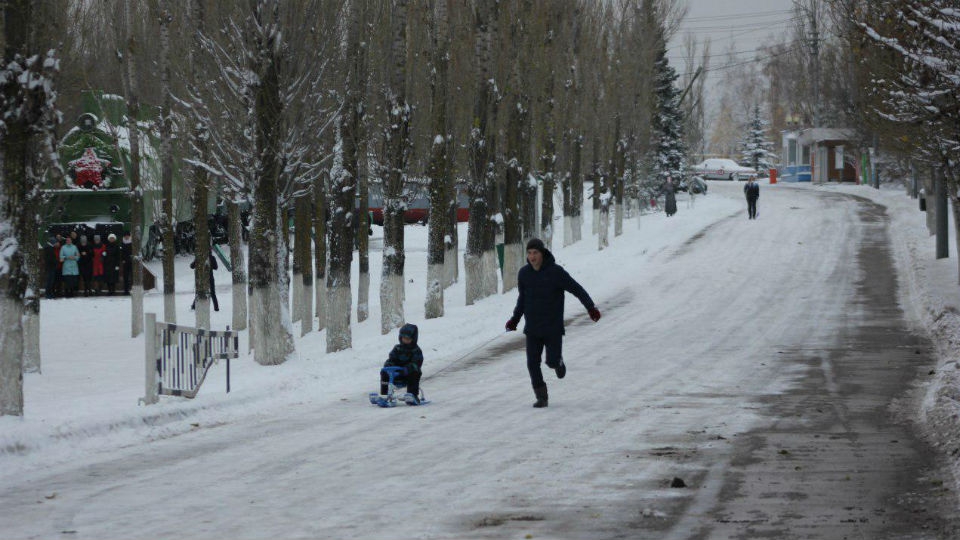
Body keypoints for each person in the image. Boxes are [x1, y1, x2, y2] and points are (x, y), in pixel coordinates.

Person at [505, 238, 601, 408]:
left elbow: (576, 289)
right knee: (532, 363)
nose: (532, 257)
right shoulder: (524, 274)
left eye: (535, 253)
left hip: (552, 328)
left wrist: (590, 308)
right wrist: (515, 319)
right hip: (533, 328)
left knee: (551, 361)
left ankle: (558, 362)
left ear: (542, 253)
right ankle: (542, 397)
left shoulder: (556, 272)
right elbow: (522, 299)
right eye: (529, 253)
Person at [378, 323, 424, 405]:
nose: (405, 340)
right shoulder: (397, 348)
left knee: (415, 372)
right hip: (396, 374)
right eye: (403, 338)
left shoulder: (416, 351)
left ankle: (412, 395)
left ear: (413, 338)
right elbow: (391, 359)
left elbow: (416, 364)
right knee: (384, 372)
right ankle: (384, 394)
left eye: (408, 338)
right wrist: (388, 365)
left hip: (408, 375)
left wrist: (407, 369)